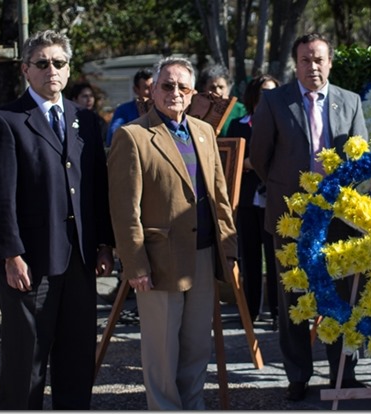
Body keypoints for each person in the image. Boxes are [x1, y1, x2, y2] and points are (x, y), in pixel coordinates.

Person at [0, 29, 115, 409]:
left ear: (69, 70)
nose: (50, 70)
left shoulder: (84, 120)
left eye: (59, 63)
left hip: (79, 261)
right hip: (29, 265)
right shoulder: (6, 121)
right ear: (26, 69)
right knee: (27, 365)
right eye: (42, 63)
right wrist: (11, 254)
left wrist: (104, 242)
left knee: (75, 362)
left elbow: (95, 188)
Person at [107, 56, 238, 410]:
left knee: (197, 347)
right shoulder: (132, 136)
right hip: (158, 262)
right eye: (167, 85)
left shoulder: (204, 131)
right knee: (162, 353)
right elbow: (124, 209)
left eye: (182, 86)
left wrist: (229, 249)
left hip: (203, 255)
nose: (175, 93)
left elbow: (220, 196)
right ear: (153, 90)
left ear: (193, 93)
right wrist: (135, 265)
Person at [249, 32, 369, 401]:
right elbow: (259, 157)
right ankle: (298, 375)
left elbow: (361, 158)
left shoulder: (350, 101)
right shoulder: (274, 101)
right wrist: (290, 191)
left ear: (330, 62)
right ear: (295, 64)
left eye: (318, 59)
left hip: (340, 219)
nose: (312, 66)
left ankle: (343, 374)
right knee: (294, 300)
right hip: (291, 217)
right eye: (305, 60)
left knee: (342, 297)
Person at [226, 74, 280, 329]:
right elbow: (231, 158)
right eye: (263, 93)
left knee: (276, 255)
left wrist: (253, 163)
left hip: (273, 199)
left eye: (272, 93)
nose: (267, 98)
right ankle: (250, 311)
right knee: (248, 256)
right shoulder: (239, 124)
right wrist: (249, 163)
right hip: (247, 199)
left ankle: (279, 313)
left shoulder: (284, 122)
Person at [105, 67, 153, 146]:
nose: (151, 92)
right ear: (135, 90)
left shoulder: (162, 109)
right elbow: (113, 136)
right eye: (146, 88)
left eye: (153, 87)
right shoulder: (124, 110)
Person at [197, 64, 247, 137]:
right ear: (204, 88)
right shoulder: (197, 109)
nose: (217, 91)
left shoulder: (241, 110)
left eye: (221, 87)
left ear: (228, 89)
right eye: (212, 87)